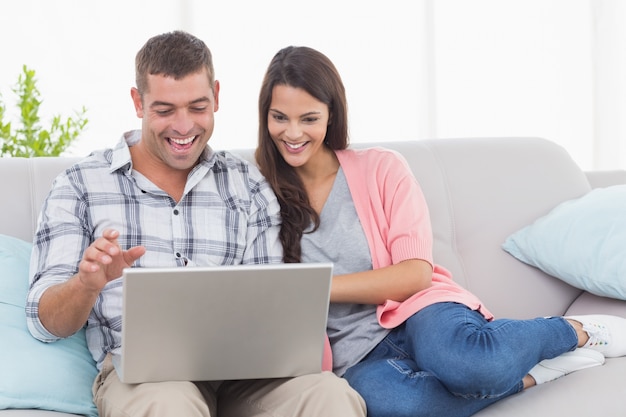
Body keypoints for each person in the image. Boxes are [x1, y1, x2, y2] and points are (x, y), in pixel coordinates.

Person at [255, 45, 626, 417]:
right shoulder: (255, 190)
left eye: (308, 118)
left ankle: (574, 331)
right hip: (354, 356)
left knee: (472, 365)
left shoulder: (381, 168)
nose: (292, 133)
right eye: (279, 117)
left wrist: (316, 286)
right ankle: (527, 375)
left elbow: (415, 274)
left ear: (331, 115)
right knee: (406, 406)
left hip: (421, 311)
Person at [26, 31, 366, 417]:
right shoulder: (81, 183)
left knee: (330, 396)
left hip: (246, 375)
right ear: (138, 103)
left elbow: (271, 304)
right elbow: (44, 323)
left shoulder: (247, 183)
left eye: (198, 106)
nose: (184, 127)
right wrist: (86, 285)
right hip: (144, 381)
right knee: (168, 405)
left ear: (217, 96)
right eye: (165, 110)